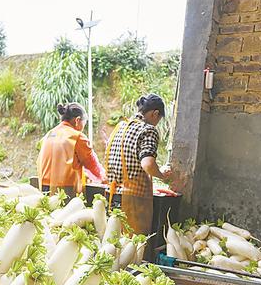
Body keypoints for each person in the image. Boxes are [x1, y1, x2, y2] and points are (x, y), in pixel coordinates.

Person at [105, 93, 173, 236]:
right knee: (134, 246)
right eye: (159, 120)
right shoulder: (148, 130)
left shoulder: (119, 127)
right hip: (133, 200)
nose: (157, 124)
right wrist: (161, 175)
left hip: (112, 195)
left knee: (113, 244)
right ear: (155, 114)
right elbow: (147, 164)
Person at [36, 102, 106, 198]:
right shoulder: (77, 137)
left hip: (43, 187)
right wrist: (105, 179)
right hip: (64, 191)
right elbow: (92, 165)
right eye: (84, 123)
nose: (83, 128)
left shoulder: (49, 134)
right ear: (77, 120)